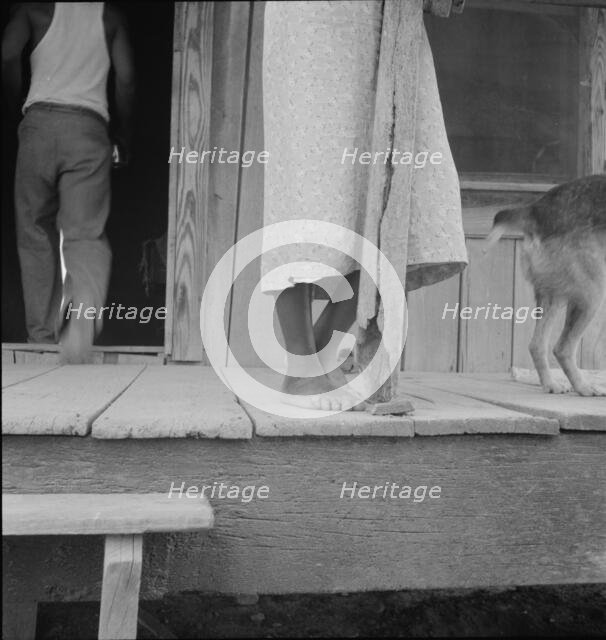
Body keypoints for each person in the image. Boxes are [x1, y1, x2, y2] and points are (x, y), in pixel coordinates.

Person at [262, 1, 468, 410]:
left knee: (400, 192)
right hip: (313, 22)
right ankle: (303, 366)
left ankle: (322, 354)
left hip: (386, 21)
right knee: (310, 181)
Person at [2, 2, 134, 362]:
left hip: (39, 125)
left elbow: (7, 54)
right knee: (84, 233)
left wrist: (13, 103)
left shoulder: (32, 10)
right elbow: (125, 77)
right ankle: (81, 325)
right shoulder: (110, 17)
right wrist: (121, 132)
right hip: (88, 128)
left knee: (34, 231)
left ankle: (41, 337)